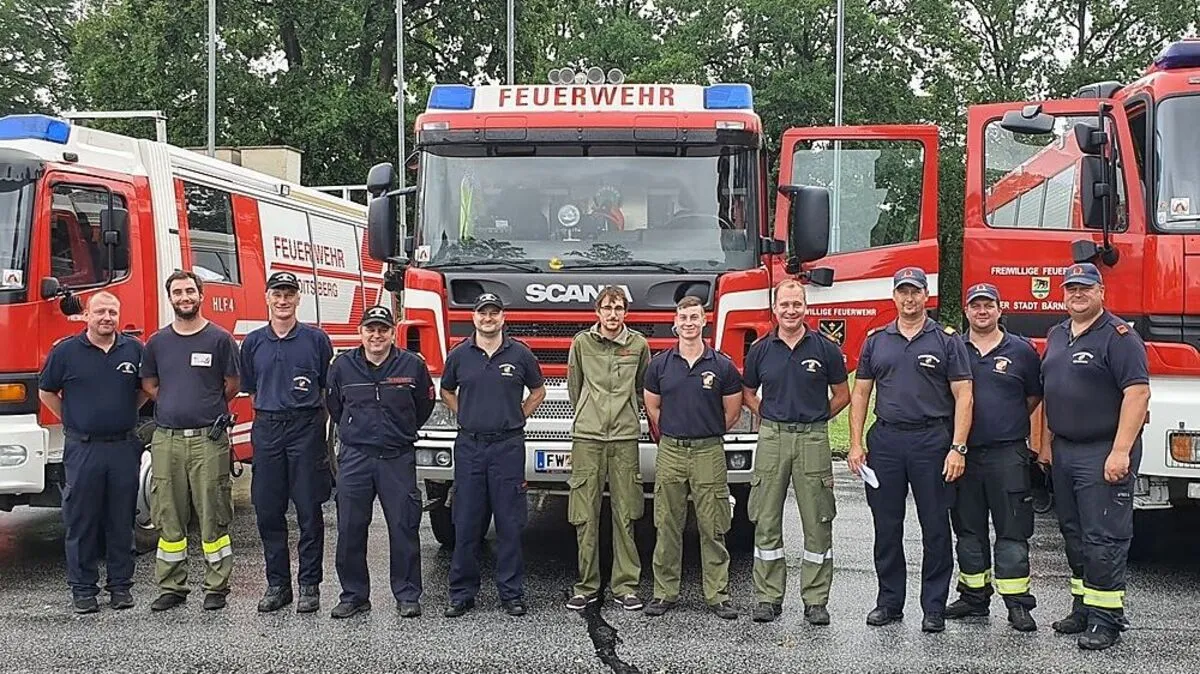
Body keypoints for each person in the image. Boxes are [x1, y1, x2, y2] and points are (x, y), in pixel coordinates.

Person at [847, 266, 973, 633]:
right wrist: (855, 443)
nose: (909, 298)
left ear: (925, 295)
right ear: (894, 296)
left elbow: (964, 395)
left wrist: (958, 448)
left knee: (935, 527)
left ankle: (933, 607)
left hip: (932, 441)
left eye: (915, 291)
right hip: (886, 441)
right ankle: (889, 602)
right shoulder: (876, 340)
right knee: (887, 527)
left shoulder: (946, 340)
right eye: (902, 292)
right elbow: (860, 393)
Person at [1040, 262, 1150, 650]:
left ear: (1101, 291)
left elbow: (1137, 394)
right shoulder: (1057, 334)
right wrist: (1046, 445)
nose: (1076, 294)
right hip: (1066, 448)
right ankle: (1083, 607)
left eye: (1085, 288)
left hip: (1104, 450)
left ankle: (1107, 619)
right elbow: (1048, 392)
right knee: (1073, 533)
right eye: (1070, 288)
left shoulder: (1119, 337)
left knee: (1104, 535)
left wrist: (1120, 450)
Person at [742, 279, 850, 626]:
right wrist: (770, 416)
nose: (791, 310)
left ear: (806, 307)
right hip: (773, 437)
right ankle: (767, 597)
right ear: (775, 308)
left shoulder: (825, 349)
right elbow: (747, 393)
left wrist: (816, 420)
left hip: (812, 439)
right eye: (784, 305)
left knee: (818, 520)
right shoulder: (760, 349)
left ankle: (815, 600)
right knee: (766, 519)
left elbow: (842, 395)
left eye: (796, 304)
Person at [37, 292, 147, 613]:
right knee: (82, 521)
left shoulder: (133, 350)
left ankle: (120, 587)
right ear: (87, 315)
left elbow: (143, 391)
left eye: (113, 311)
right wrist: (73, 420)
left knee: (121, 518)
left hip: (123, 448)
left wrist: (124, 413)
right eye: (100, 311)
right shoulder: (66, 352)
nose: (107, 317)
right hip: (83, 449)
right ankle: (83, 590)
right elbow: (46, 391)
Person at [325, 305, 435, 619]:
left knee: (403, 526)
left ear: (392, 332)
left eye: (383, 329)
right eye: (370, 329)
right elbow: (335, 405)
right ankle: (354, 595)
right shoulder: (342, 366)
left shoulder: (412, 365)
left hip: (397, 457)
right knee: (350, 528)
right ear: (361, 332)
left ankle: (407, 594)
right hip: (356, 457)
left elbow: (423, 404)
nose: (376, 335)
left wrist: (400, 431)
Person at [441, 292, 546, 617]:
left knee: (509, 523)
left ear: (503, 317)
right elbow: (447, 390)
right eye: (483, 313)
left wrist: (519, 415)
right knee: (467, 523)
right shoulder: (460, 354)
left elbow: (538, 390)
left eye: (494, 313)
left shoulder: (520, 354)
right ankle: (461, 593)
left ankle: (510, 594)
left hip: (507, 446)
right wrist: (466, 414)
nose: (488, 319)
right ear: (474, 317)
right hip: (470, 446)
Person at [140, 270, 240, 612]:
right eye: (177, 292)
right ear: (170, 298)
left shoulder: (220, 339)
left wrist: (202, 407)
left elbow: (231, 385)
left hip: (207, 440)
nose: (184, 297)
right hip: (166, 440)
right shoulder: (156, 343)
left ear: (201, 295)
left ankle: (216, 585)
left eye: (189, 291)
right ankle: (172, 585)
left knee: (213, 510)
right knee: (167, 511)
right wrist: (173, 404)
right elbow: (150, 385)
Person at [946, 283, 1043, 632]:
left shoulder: (1021, 351)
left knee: (1013, 531)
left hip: (1008, 454)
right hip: (964, 456)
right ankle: (974, 597)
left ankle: (1017, 603)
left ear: (1000, 310)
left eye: (989, 305)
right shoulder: (953, 348)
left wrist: (1007, 422)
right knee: (968, 531)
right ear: (967, 311)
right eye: (975, 306)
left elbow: (1033, 396)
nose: (982, 311)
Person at [643, 296, 743, 620]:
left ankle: (717, 595)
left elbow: (731, 411)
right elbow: (653, 407)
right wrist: (675, 432)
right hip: (671, 450)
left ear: (704, 322)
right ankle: (664, 592)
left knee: (713, 524)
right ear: (676, 323)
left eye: (694, 317)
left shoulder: (722, 365)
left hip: (708, 451)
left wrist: (705, 431)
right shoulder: (659, 365)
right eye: (683, 317)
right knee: (667, 523)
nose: (688, 322)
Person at [239, 272, 334, 614]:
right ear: (267, 297)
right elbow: (251, 389)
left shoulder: (316, 340)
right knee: (268, 510)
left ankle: (310, 585)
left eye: (289, 294)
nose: (282, 300)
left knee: (309, 510)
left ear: (298, 299)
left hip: (305, 427)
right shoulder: (253, 343)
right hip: (267, 428)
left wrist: (313, 426)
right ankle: (277, 584)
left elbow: (326, 388)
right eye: (277, 294)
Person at [564, 285, 651, 612]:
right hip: (588, 438)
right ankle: (586, 586)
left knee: (626, 512)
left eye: (618, 308)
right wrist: (589, 414)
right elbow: (575, 387)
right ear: (597, 312)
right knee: (585, 515)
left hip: (624, 438)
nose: (613, 314)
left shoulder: (639, 345)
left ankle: (626, 585)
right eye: (607, 308)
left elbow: (643, 388)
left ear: (625, 313)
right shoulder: (581, 343)